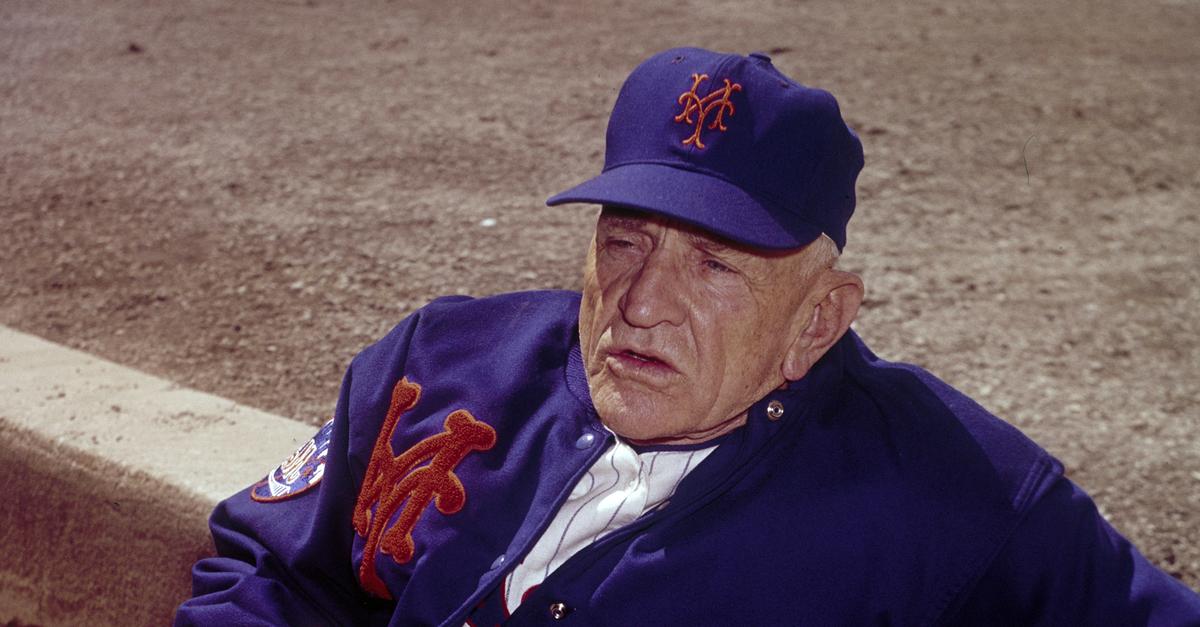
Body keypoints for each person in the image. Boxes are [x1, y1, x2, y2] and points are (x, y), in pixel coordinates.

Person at [175, 47, 1200, 626]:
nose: (642, 301)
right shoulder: (440, 364)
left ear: (819, 321)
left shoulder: (957, 494)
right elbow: (268, 572)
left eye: (715, 264)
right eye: (625, 239)